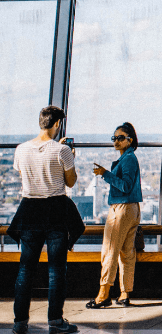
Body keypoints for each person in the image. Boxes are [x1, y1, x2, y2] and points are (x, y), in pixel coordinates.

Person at [9, 106, 82, 334]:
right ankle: (56, 321)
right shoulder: (62, 151)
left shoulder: (21, 150)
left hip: (29, 210)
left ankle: (20, 322)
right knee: (56, 270)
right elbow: (71, 182)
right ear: (58, 124)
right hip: (55, 212)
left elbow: (23, 175)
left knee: (25, 269)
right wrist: (69, 156)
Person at [86, 123, 143, 309]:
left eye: (120, 138)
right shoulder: (129, 158)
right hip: (132, 209)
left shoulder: (128, 160)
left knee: (110, 251)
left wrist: (105, 174)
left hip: (121, 209)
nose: (116, 141)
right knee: (127, 253)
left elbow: (125, 186)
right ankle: (125, 293)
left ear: (130, 140)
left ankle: (103, 294)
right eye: (114, 138)